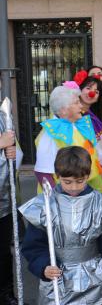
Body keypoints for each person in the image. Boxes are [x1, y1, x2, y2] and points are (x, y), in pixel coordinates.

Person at [20, 146, 102, 304]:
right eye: (67, 182)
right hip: (58, 281)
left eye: (79, 181)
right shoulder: (45, 206)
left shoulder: (100, 204)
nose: (74, 187)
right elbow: (33, 246)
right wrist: (44, 266)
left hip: (94, 279)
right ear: (57, 176)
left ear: (88, 175)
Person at [34, 82, 102, 191]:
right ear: (63, 110)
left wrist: (101, 171)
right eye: (76, 102)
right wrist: (56, 201)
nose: (81, 105)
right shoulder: (49, 134)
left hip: (88, 194)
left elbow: (90, 154)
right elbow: (43, 173)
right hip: (67, 198)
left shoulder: (78, 126)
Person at [0, 87, 23, 305]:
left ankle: (5, 294)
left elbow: (13, 154)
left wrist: (12, 151)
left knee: (3, 253)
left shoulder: (3, 115)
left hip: (3, 198)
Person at [75, 73, 102, 138]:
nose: (91, 93)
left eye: (96, 92)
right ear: (80, 89)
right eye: (88, 88)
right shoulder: (71, 112)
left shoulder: (95, 118)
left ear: (98, 98)